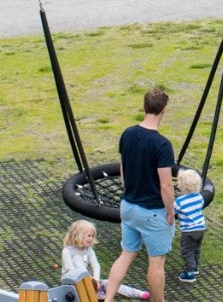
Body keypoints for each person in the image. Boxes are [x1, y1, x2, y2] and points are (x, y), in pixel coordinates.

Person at [104, 87, 176, 302]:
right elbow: (166, 186)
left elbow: (123, 171)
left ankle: (107, 299)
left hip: (128, 206)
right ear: (164, 110)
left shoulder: (128, 133)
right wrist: (171, 211)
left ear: (143, 107)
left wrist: (131, 191)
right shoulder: (162, 144)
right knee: (156, 262)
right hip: (152, 212)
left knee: (126, 255)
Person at [60, 219, 150, 300]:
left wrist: (96, 280)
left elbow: (96, 265)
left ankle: (137, 293)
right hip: (72, 283)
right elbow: (70, 270)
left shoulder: (88, 250)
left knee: (110, 283)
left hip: (88, 281)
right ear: (79, 235)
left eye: (92, 236)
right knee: (77, 260)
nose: (91, 239)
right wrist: (90, 280)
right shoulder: (67, 251)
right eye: (89, 236)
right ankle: (96, 292)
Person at [173, 168, 208, 283]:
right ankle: (195, 267)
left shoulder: (179, 201)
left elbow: (172, 212)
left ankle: (189, 274)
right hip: (201, 228)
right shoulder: (199, 197)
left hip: (189, 231)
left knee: (186, 251)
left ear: (181, 185)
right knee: (196, 248)